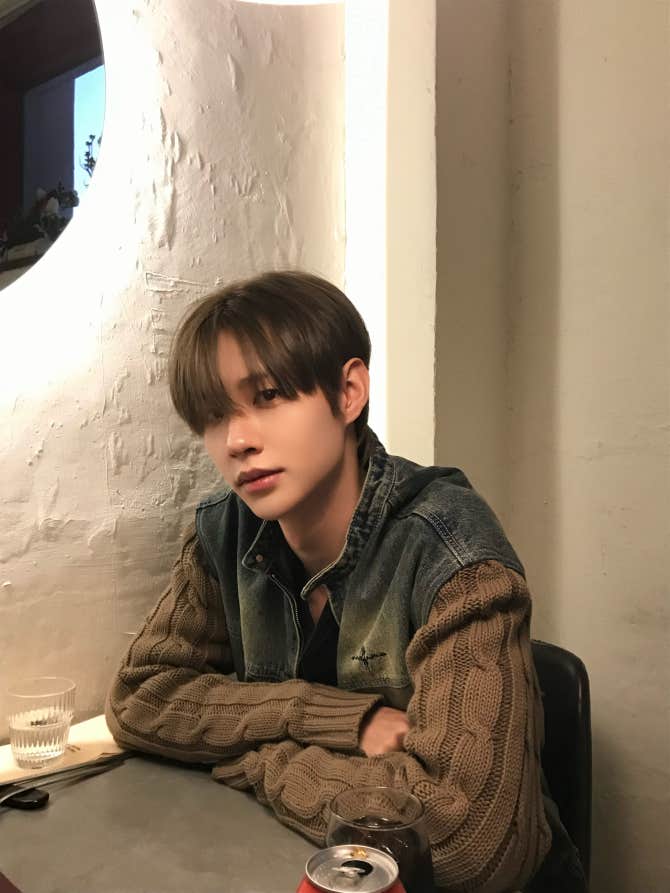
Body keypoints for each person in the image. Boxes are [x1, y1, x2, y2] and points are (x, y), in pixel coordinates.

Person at [105, 270, 586, 892]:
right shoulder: (226, 533)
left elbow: (468, 841)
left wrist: (253, 757)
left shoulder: (452, 550)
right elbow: (141, 698)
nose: (237, 440)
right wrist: (329, 717)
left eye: (269, 395)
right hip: (305, 867)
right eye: (213, 416)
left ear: (349, 392)